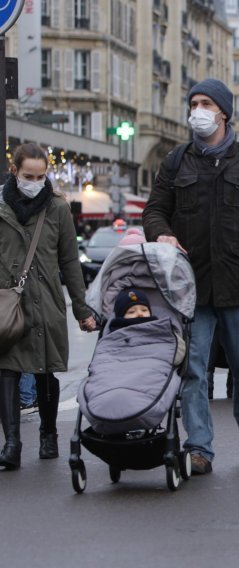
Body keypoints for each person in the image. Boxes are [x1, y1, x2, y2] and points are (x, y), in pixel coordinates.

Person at [143, 78, 239, 474]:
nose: (197, 111)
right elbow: (154, 210)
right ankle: (199, 447)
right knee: (193, 368)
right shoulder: (176, 161)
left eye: (206, 103)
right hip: (191, 287)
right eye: (193, 103)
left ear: (223, 111)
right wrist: (162, 232)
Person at [0, 143, 97, 469]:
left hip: (47, 302)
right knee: (7, 371)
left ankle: (48, 434)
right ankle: (11, 444)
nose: (35, 181)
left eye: (41, 176)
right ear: (14, 171)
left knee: (45, 370)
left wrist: (82, 310)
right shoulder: (1, 206)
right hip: (8, 304)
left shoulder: (57, 208)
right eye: (29, 175)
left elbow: (70, 262)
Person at [106, 288, 187, 365]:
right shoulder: (114, 333)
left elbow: (177, 355)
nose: (140, 313)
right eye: (131, 312)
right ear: (121, 318)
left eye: (144, 310)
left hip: (153, 364)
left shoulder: (161, 328)